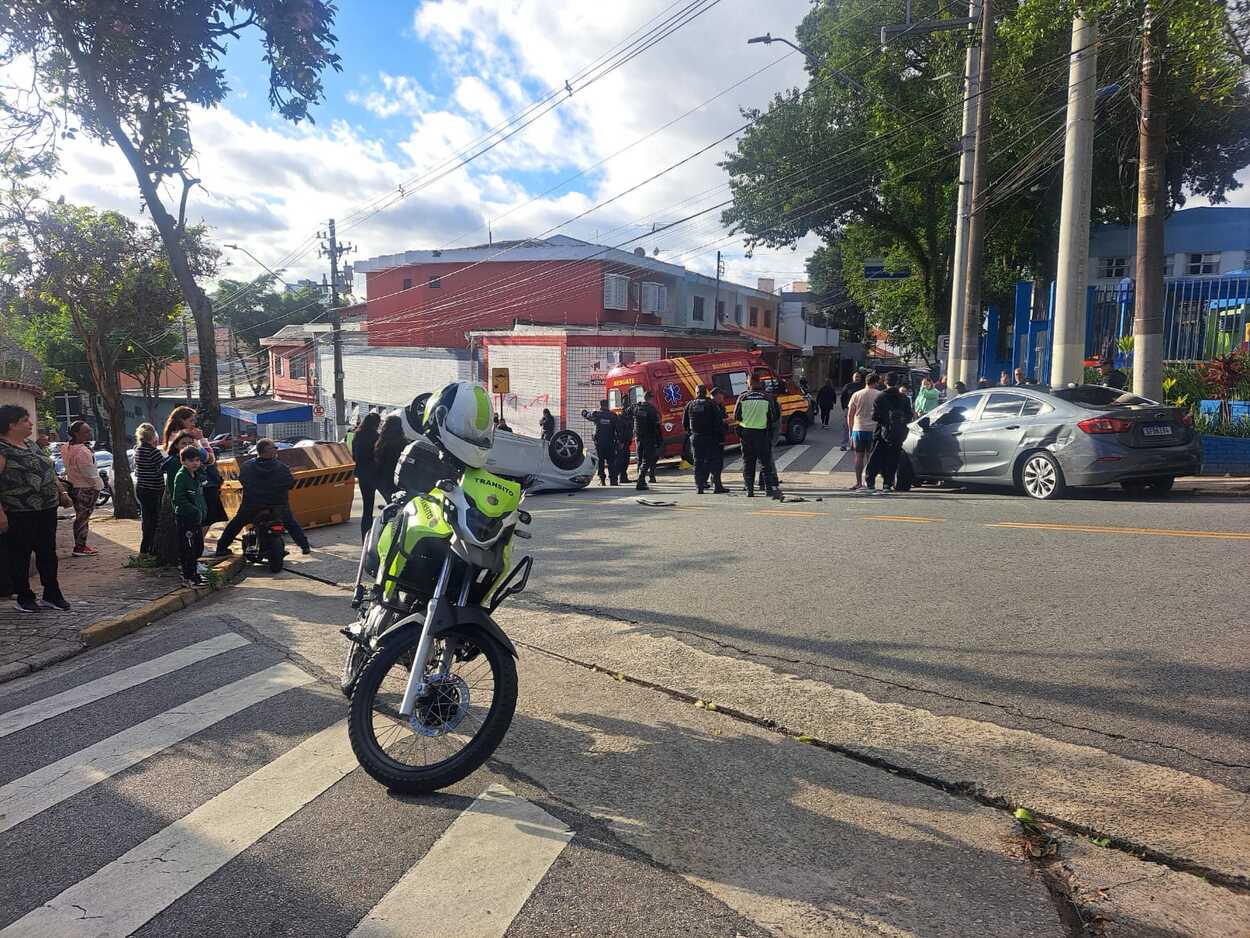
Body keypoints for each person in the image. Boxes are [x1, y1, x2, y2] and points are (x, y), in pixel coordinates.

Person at [0, 404, 72, 612]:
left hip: (46, 509)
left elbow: (48, 471)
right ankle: (24, 597)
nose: (30, 423)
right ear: (11, 424)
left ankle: (52, 593)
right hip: (19, 511)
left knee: (47, 552)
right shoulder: (3, 449)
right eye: (25, 420)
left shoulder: (31, 445)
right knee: (20, 555)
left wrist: (62, 493)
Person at [214, 437, 311, 557]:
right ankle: (304, 546)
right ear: (270, 451)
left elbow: (243, 480)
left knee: (236, 524)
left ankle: (221, 547)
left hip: (252, 506)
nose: (276, 450)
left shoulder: (247, 466)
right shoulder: (282, 467)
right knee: (291, 523)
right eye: (275, 448)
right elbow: (290, 483)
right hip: (278, 505)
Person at [866, 372, 914, 494]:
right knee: (893, 459)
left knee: (876, 458)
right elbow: (909, 416)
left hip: (881, 432)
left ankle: (870, 482)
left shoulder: (880, 397)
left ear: (885, 382)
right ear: (897, 383)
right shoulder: (904, 398)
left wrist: (885, 422)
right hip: (897, 434)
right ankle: (887, 483)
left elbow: (875, 416)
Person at [733, 377, 780, 498]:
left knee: (748, 462)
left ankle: (750, 490)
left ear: (749, 383)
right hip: (762, 433)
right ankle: (768, 489)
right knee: (765, 463)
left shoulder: (743, 397)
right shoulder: (767, 397)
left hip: (746, 434)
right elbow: (774, 416)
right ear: (759, 382)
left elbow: (736, 416)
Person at [63, 420, 101, 557]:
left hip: (74, 485)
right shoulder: (83, 451)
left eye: (89, 430)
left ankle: (80, 545)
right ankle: (80, 546)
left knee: (81, 517)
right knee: (83, 518)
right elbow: (89, 473)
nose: (89, 433)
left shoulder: (66, 447)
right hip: (86, 488)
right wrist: (98, 487)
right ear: (76, 434)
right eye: (86, 431)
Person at [172, 445, 208, 586]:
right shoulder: (181, 477)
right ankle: (189, 576)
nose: (195, 463)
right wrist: (193, 510)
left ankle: (194, 573)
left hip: (196, 518)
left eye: (197, 460)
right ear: (183, 461)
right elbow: (178, 498)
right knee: (188, 548)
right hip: (185, 517)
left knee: (198, 546)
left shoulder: (197, 476)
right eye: (191, 460)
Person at [683, 385, 728, 494]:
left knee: (698, 462)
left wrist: (692, 434)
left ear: (696, 392)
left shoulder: (690, 405)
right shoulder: (711, 404)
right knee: (714, 461)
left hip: (696, 437)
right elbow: (718, 422)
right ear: (705, 392)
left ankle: (699, 487)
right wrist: (722, 432)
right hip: (710, 437)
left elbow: (684, 424)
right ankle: (717, 486)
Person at [845, 372, 882, 492]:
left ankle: (858, 482)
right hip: (874, 429)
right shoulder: (880, 395)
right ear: (875, 383)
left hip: (858, 429)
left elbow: (850, 414)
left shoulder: (856, 394)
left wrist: (850, 431)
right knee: (871, 457)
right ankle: (870, 482)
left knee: (858, 456)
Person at [133, 423, 166, 556]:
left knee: (147, 518)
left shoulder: (138, 450)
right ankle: (152, 547)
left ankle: (145, 547)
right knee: (155, 519)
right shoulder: (154, 452)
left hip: (142, 488)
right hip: (153, 489)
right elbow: (163, 466)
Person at [352, 411, 381, 539]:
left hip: (362, 474)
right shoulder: (375, 436)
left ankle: (365, 538)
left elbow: (354, 455)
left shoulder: (357, 435)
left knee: (367, 508)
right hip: (375, 473)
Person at [582, 400, 618, 485]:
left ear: (600, 406)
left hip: (599, 443)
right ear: (607, 405)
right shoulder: (613, 416)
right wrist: (619, 441)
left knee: (601, 461)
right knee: (611, 461)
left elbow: (587, 415)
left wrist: (583, 412)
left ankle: (602, 480)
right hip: (610, 442)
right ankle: (613, 480)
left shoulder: (597, 415)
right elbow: (618, 429)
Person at [632, 391, 663, 491]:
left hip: (638, 437)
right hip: (649, 437)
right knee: (647, 459)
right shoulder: (651, 409)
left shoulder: (637, 407)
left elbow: (628, 412)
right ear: (650, 398)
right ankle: (641, 481)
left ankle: (641, 480)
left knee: (640, 459)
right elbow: (657, 422)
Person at [374, 415, 407, 501]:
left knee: (390, 500)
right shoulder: (403, 441)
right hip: (397, 476)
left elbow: (379, 460)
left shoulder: (383, 441)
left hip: (384, 477)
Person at [839, 371, 864, 451]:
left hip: (859, 410)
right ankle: (844, 444)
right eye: (855, 376)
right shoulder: (848, 386)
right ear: (853, 377)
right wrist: (844, 407)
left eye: (858, 377)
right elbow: (842, 397)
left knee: (858, 428)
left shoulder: (863, 386)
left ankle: (854, 444)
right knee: (846, 426)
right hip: (849, 409)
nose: (857, 378)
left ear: (860, 378)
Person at [613, 400, 635, 485]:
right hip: (621, 442)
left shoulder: (629, 417)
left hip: (626, 441)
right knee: (621, 460)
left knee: (626, 460)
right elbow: (619, 431)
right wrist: (620, 442)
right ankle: (618, 477)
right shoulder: (620, 418)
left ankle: (623, 477)